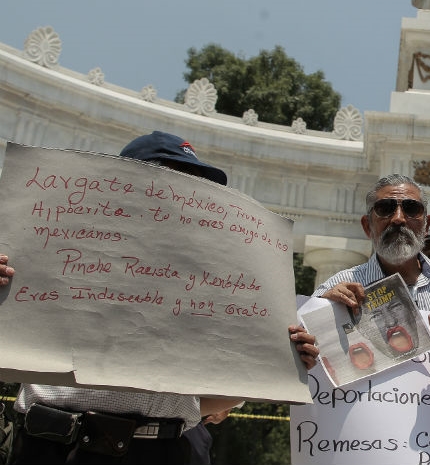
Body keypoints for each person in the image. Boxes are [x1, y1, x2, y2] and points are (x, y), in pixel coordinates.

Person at [0, 131, 319, 465]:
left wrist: (284, 361)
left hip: (163, 450)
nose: (186, 195)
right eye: (173, 179)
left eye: (195, 186)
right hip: (53, 446)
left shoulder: (211, 287)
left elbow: (203, 403)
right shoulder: (51, 242)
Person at [312, 174, 430, 338]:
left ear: (426, 226)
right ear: (368, 226)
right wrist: (322, 310)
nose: (398, 219)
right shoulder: (338, 287)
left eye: (411, 209)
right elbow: (302, 346)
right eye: (385, 209)